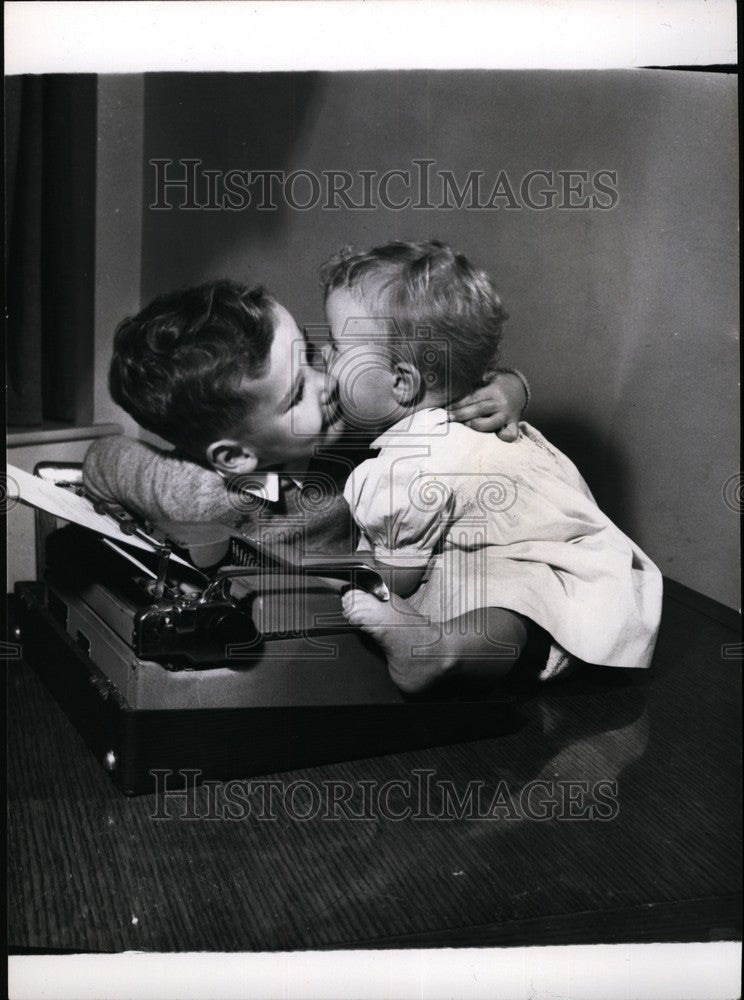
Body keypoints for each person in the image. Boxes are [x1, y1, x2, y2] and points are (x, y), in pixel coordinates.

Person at [317, 241, 663, 696]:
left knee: (511, 596)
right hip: (576, 585)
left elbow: (395, 574)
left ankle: (439, 652)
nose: (323, 356)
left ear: (402, 382)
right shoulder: (464, 414)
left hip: (556, 600)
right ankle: (442, 647)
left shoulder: (411, 464)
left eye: (338, 347)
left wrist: (321, 575)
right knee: (506, 590)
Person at [83, 275, 528, 563]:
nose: (326, 382)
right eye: (297, 393)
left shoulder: (357, 421)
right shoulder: (195, 493)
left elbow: (449, 380)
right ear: (235, 457)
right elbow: (103, 456)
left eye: (312, 356)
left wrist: (508, 388)